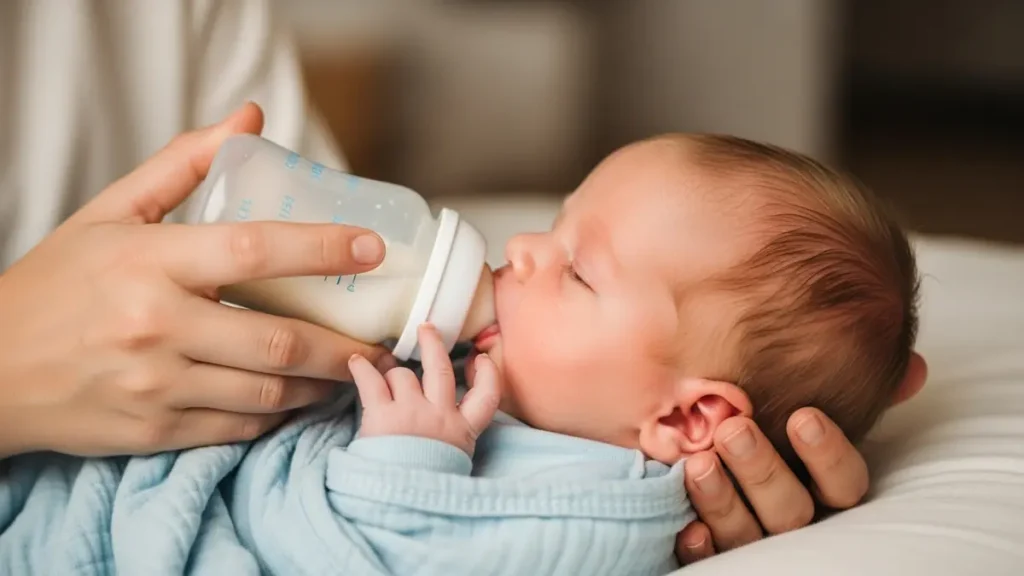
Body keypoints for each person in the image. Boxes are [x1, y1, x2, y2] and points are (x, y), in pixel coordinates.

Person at [0, 0, 927, 564]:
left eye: (577, 271)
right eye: (556, 225)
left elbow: (379, 555)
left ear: (688, 419)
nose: (521, 249)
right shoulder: (525, 404)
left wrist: (407, 465)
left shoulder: (586, 505)